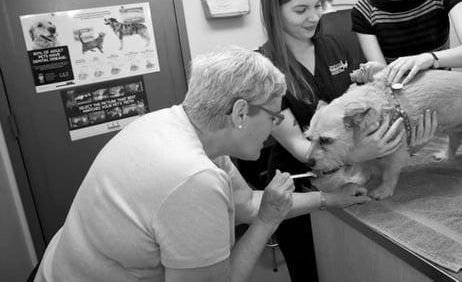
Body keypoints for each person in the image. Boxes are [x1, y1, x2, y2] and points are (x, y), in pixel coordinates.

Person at [33, 47, 370, 282]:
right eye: (274, 116)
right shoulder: (193, 178)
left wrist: (329, 199)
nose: (274, 127)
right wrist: (268, 222)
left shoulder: (179, 126)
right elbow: (258, 218)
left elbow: (249, 203)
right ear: (239, 113)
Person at [255, 0, 438, 281]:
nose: (314, 17)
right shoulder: (262, 68)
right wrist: (363, 153)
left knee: (350, 264)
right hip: (300, 187)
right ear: (274, 10)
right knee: (312, 271)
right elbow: (302, 146)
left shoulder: (333, 46)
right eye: (301, 10)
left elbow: (361, 114)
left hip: (350, 178)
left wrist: (406, 139)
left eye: (317, 6)